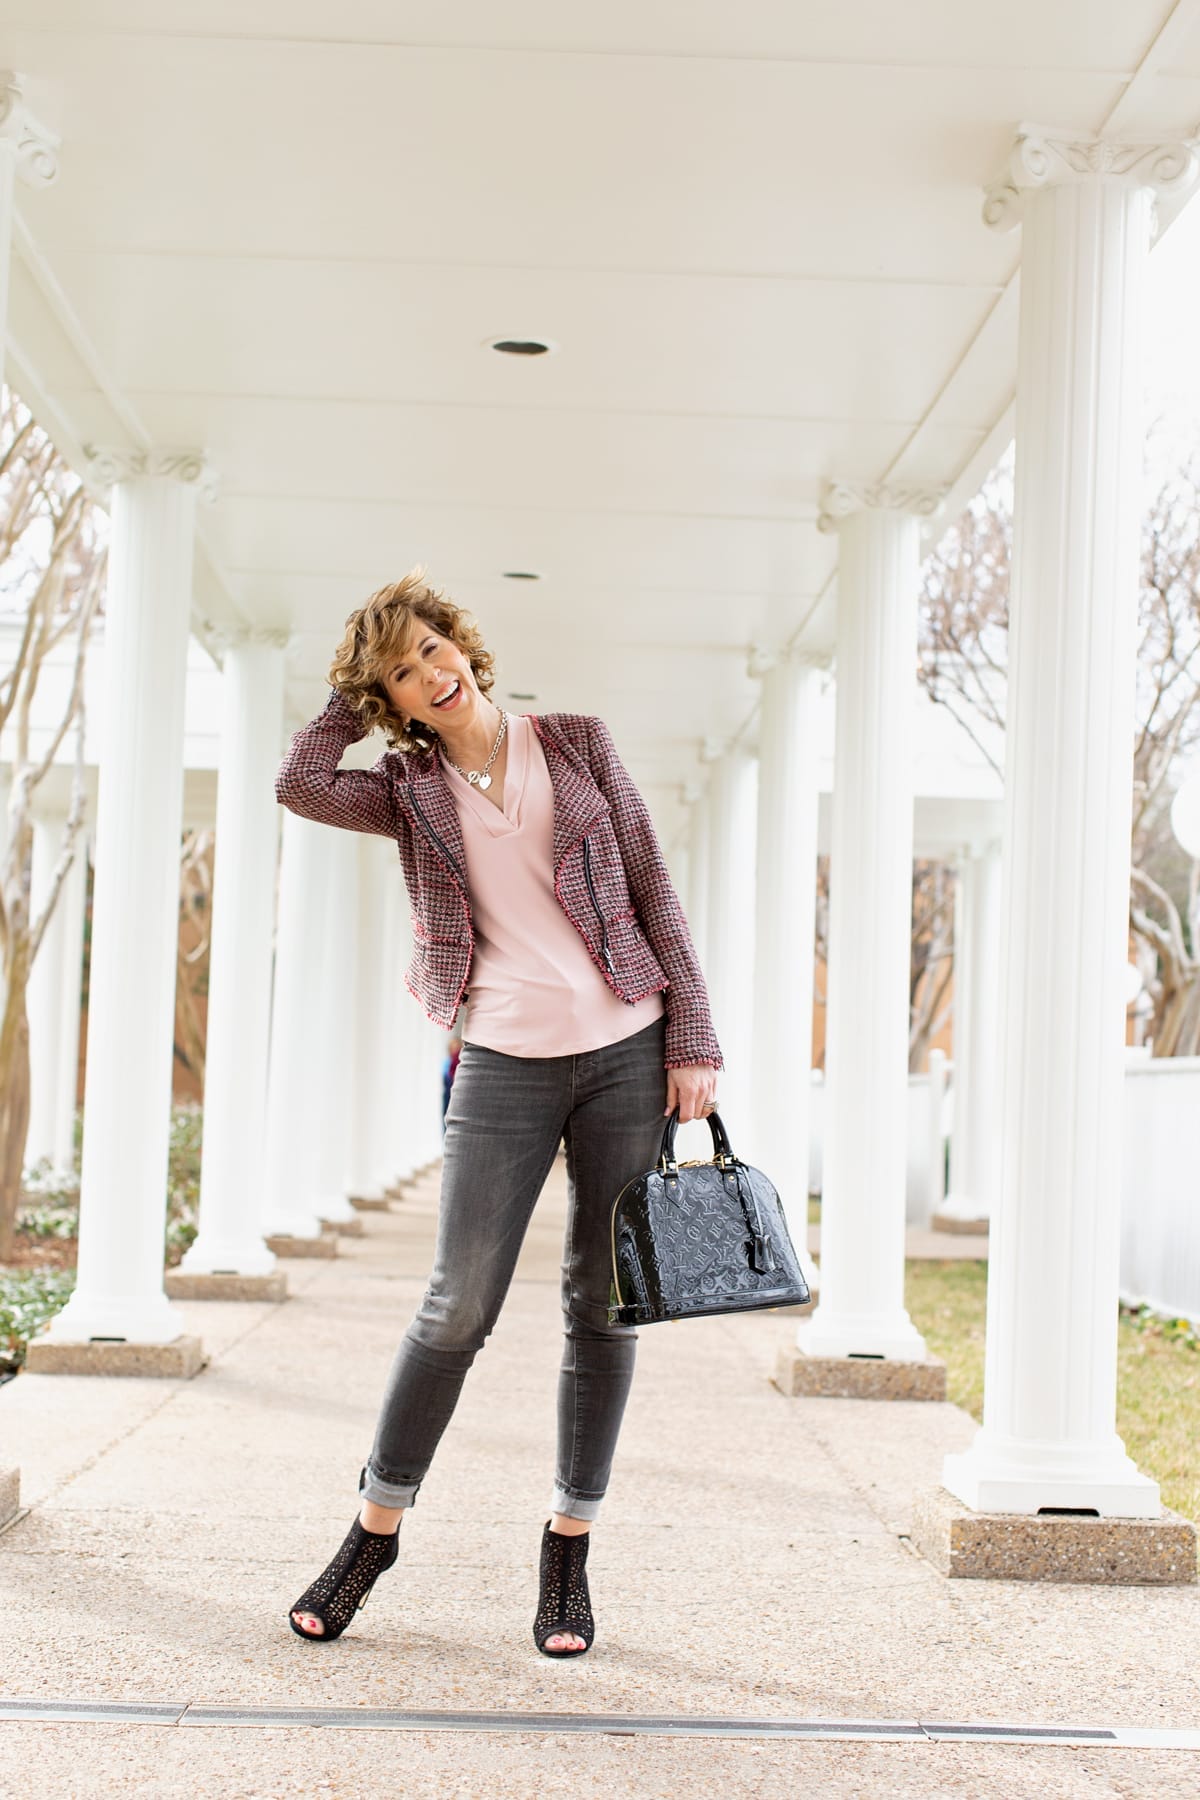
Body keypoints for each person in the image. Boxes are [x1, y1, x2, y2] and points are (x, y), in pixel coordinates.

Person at [275, 568, 721, 1656]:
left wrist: (694, 1036)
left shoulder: (577, 742)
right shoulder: (404, 789)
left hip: (625, 1044)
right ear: (389, 699)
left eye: (435, 649)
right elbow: (297, 780)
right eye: (403, 673)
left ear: (464, 644)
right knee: (456, 1305)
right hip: (502, 1062)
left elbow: (655, 886)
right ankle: (372, 1533)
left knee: (601, 1302)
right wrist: (356, 684)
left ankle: (568, 1547)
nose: (434, 674)